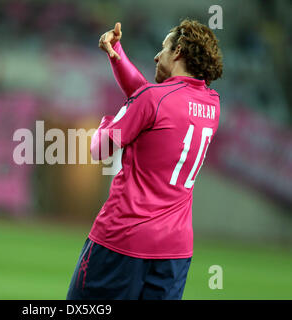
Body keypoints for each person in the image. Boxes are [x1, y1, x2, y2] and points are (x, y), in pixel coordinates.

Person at [67, 20, 223, 300]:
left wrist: (108, 121)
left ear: (178, 52)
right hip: (174, 252)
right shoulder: (212, 104)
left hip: (123, 240)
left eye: (163, 48)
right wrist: (116, 53)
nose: (156, 55)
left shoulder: (153, 99)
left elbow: (99, 150)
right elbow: (152, 100)